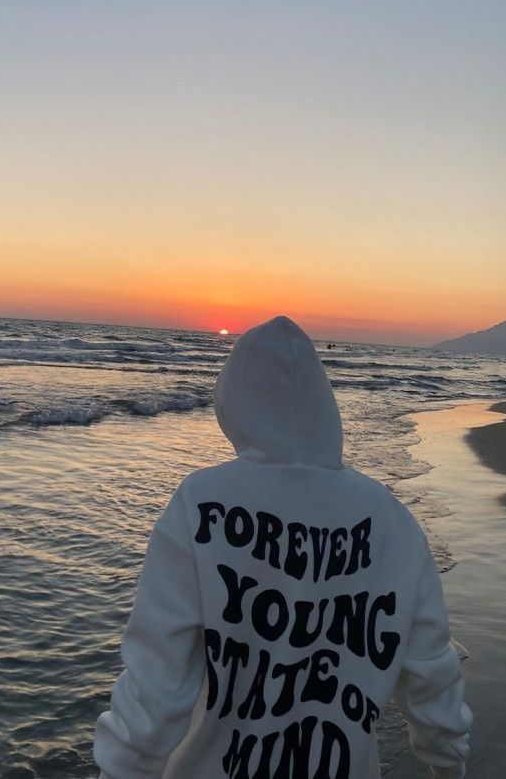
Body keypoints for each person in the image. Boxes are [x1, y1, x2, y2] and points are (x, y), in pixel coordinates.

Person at [93, 315, 472, 778]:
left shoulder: (201, 502)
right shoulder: (392, 518)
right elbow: (432, 670)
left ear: (233, 402)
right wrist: (448, 765)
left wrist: (121, 770)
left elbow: (155, 685)